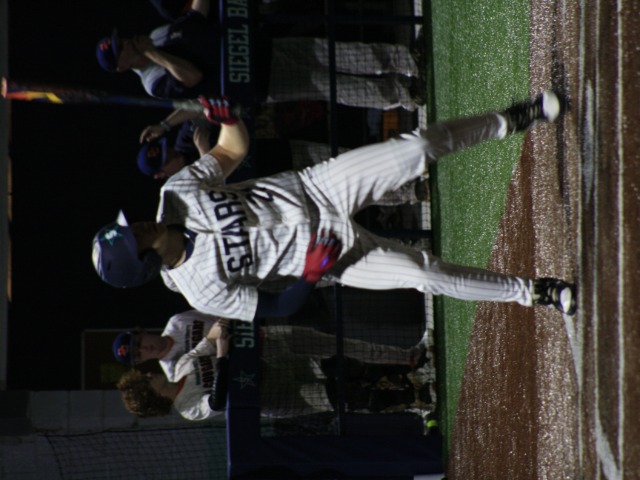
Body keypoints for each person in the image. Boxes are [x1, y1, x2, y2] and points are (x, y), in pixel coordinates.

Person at [92, 92, 577, 320]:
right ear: (144, 262)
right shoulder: (200, 291)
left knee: (414, 149)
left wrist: (227, 119)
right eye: (133, 237)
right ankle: (533, 292)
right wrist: (310, 273)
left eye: (128, 226)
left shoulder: (174, 195)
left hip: (318, 188)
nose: (137, 225)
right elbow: (275, 308)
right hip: (327, 256)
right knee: (423, 274)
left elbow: (230, 151)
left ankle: (511, 119)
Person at [116, 315, 431, 420]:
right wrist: (223, 355)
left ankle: (411, 371)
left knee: (343, 366)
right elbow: (218, 400)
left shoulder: (183, 365)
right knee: (343, 396)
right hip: (271, 396)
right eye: (146, 380)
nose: (149, 374)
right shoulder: (186, 408)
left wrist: (219, 330)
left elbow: (207, 343)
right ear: (153, 394)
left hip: (270, 362)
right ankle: (414, 399)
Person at [112, 310, 428, 381]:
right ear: (140, 363)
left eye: (138, 343)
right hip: (269, 372)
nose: (144, 349)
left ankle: (409, 358)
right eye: (138, 354)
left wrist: (226, 325)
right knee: (344, 380)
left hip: (267, 338)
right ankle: (411, 393)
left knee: (344, 346)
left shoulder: (177, 321)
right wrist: (216, 340)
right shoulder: (173, 372)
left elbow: (220, 311)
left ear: (141, 332)